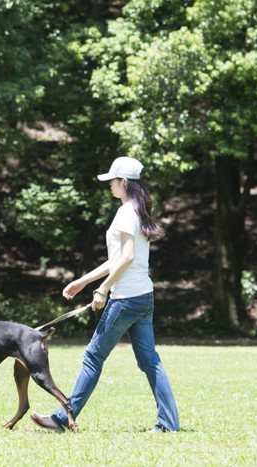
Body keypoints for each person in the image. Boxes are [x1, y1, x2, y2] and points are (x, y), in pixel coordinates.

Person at [31, 156, 180, 433]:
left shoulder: (126, 212)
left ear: (123, 182)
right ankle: (170, 424)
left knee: (92, 357)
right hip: (143, 297)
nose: (110, 185)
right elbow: (119, 259)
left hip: (125, 300)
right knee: (150, 362)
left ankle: (62, 419)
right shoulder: (139, 209)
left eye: (112, 180)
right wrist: (84, 281)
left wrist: (103, 288)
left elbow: (127, 257)